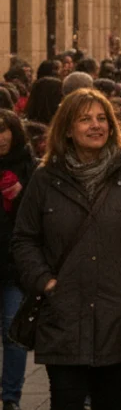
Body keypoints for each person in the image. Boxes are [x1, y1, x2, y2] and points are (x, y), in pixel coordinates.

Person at [11, 89, 121, 410]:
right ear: (68, 129)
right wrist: (45, 282)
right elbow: (25, 239)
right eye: (85, 119)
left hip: (119, 317)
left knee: (112, 402)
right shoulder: (45, 179)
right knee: (65, 402)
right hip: (63, 319)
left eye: (102, 119)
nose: (96, 126)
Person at [0, 111, 34, 410]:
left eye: (4, 131)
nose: (0, 138)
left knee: (14, 334)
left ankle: (10, 397)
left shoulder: (29, 168)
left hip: (15, 267)